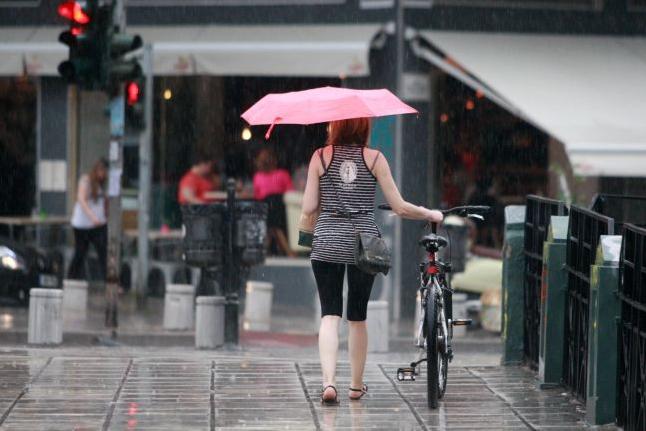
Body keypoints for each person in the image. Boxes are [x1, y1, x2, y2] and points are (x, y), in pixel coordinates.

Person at [300, 118, 443, 404]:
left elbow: (308, 207)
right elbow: (400, 206)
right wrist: (430, 214)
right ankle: (355, 386)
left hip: (327, 240)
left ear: (337, 126)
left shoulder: (319, 156)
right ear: (363, 128)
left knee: (330, 314)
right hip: (363, 245)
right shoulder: (375, 158)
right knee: (357, 316)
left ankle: (329, 383)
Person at [68, 158, 108, 280]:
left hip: (98, 224)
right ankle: (71, 277)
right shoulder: (86, 180)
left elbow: (103, 203)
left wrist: (105, 215)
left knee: (104, 252)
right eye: (103, 171)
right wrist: (92, 217)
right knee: (80, 252)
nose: (104, 175)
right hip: (83, 225)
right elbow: (81, 199)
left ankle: (109, 280)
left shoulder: (102, 185)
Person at [252, 147, 295, 257]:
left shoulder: (258, 177)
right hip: (277, 209)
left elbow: (257, 196)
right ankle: (287, 251)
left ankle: (265, 250)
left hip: (271, 208)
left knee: (272, 223)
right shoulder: (282, 174)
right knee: (274, 224)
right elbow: (290, 193)